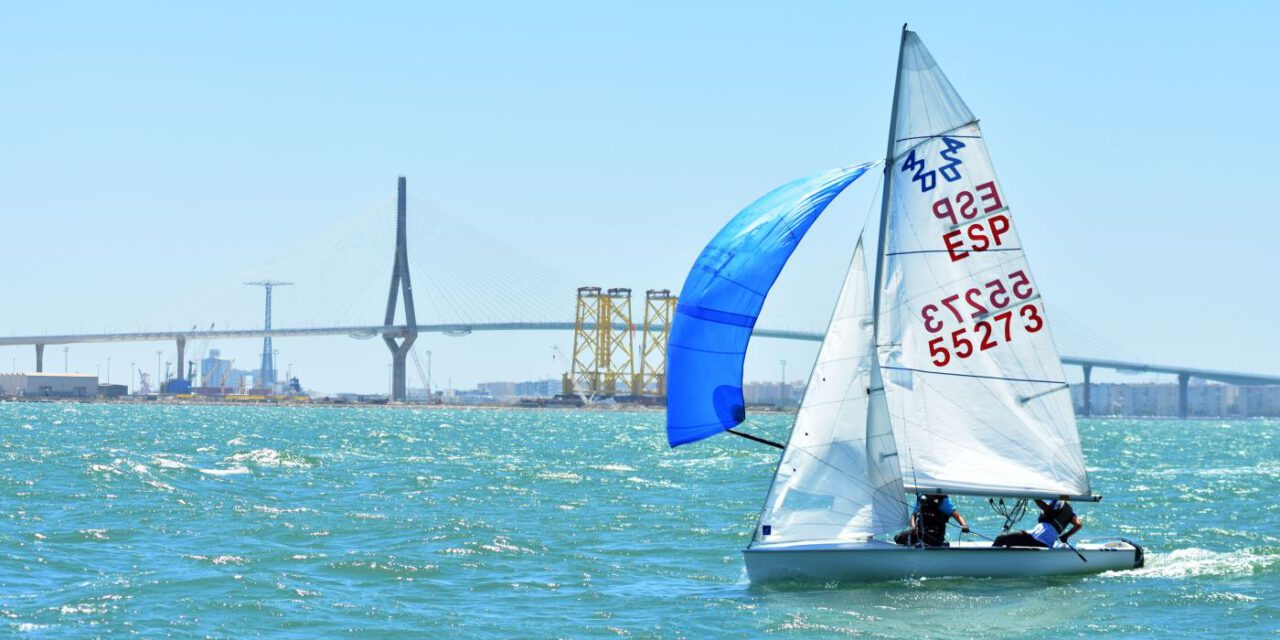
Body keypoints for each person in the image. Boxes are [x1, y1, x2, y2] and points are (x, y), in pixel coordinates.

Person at [992, 498, 1082, 548]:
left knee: (1001, 539)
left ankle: (990, 562)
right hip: (1045, 540)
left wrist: (1033, 496)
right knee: (1009, 542)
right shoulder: (1070, 512)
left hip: (1039, 537)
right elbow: (1078, 525)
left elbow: (1047, 509)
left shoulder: (1057, 501)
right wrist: (1066, 536)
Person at [894, 493, 970, 547]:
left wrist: (964, 525)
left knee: (928, 542)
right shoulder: (922, 498)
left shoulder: (943, 500)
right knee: (898, 538)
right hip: (919, 533)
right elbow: (913, 516)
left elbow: (957, 516)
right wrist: (913, 527)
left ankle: (938, 547)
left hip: (935, 536)